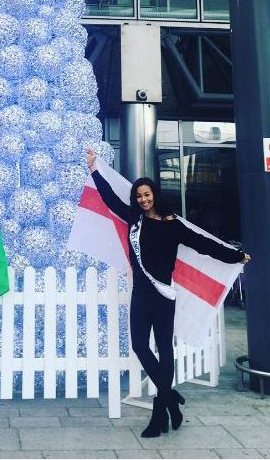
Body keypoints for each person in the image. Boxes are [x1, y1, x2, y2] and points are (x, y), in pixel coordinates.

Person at [86, 148, 250, 438]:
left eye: (146, 195)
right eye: (139, 196)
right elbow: (110, 199)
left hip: (163, 297)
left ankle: (159, 412)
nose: (143, 199)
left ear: (155, 195)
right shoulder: (134, 220)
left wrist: (235, 256)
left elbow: (204, 245)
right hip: (141, 296)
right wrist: (94, 170)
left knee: (164, 350)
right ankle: (171, 398)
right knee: (139, 345)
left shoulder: (174, 226)